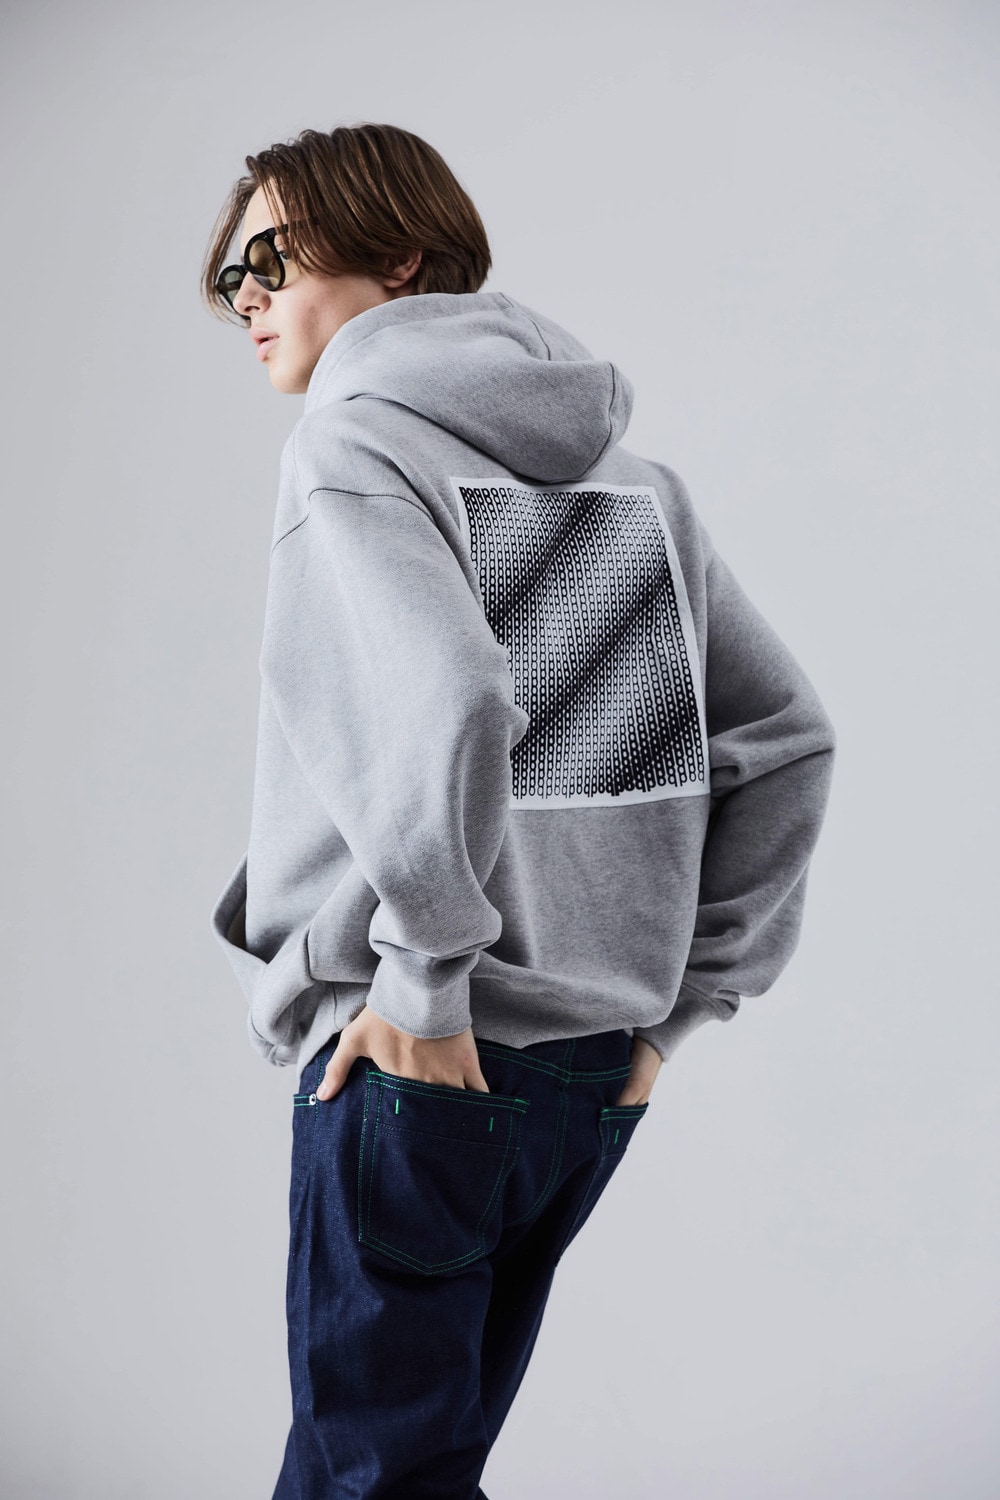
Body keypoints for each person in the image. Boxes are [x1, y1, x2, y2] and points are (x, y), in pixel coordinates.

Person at [203, 122, 836, 1500]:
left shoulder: (353, 446)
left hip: (426, 1055)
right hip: (582, 1080)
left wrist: (427, 984)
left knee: (370, 1479)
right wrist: (673, 1014)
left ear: (397, 259)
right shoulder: (630, 486)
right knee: (410, 1471)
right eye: (228, 275)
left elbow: (451, 704)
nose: (243, 295)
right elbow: (786, 741)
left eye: (270, 257)